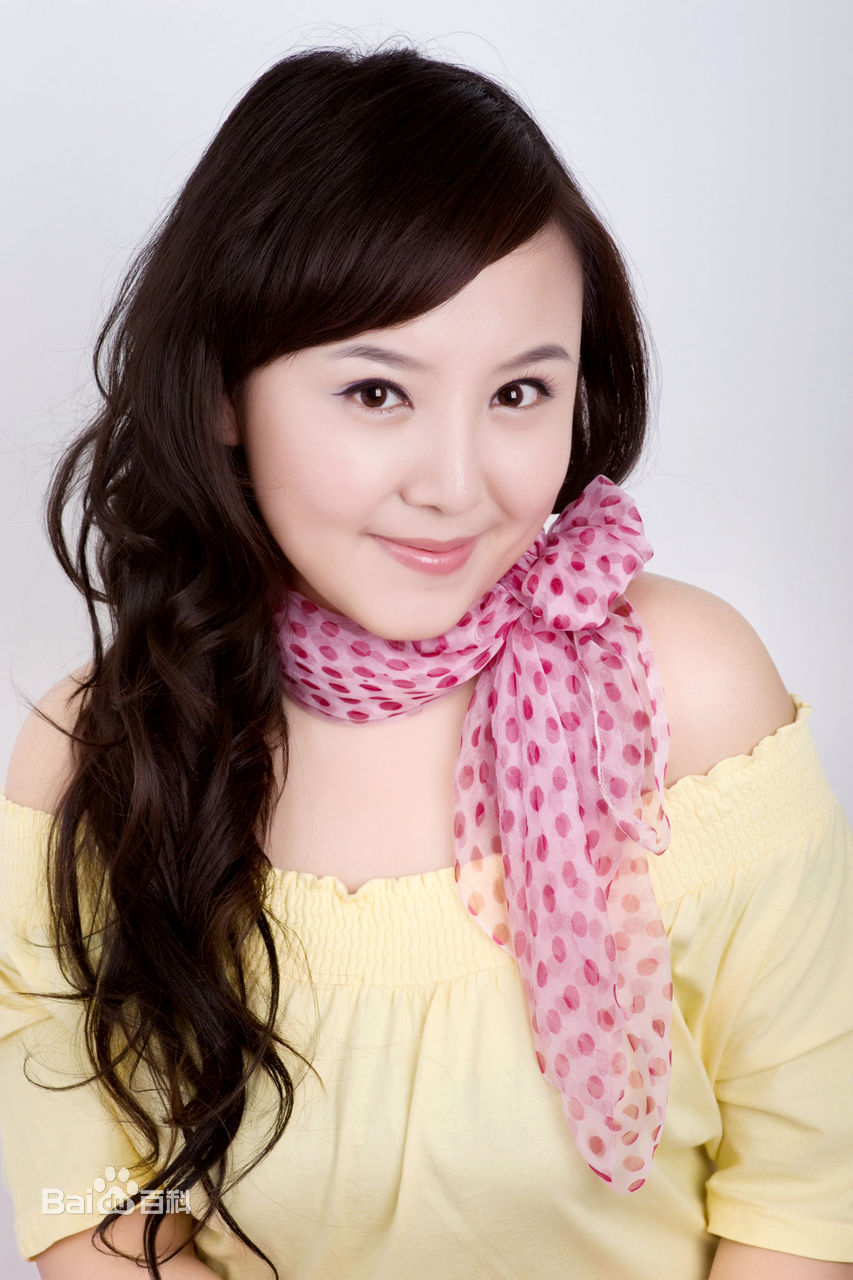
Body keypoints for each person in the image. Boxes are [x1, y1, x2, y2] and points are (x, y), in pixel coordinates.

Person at [1, 43, 851, 1280]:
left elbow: (810, 1188)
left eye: (517, 394)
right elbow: (100, 1209)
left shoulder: (685, 695)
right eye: (376, 393)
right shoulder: (101, 751)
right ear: (225, 392)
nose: (456, 484)